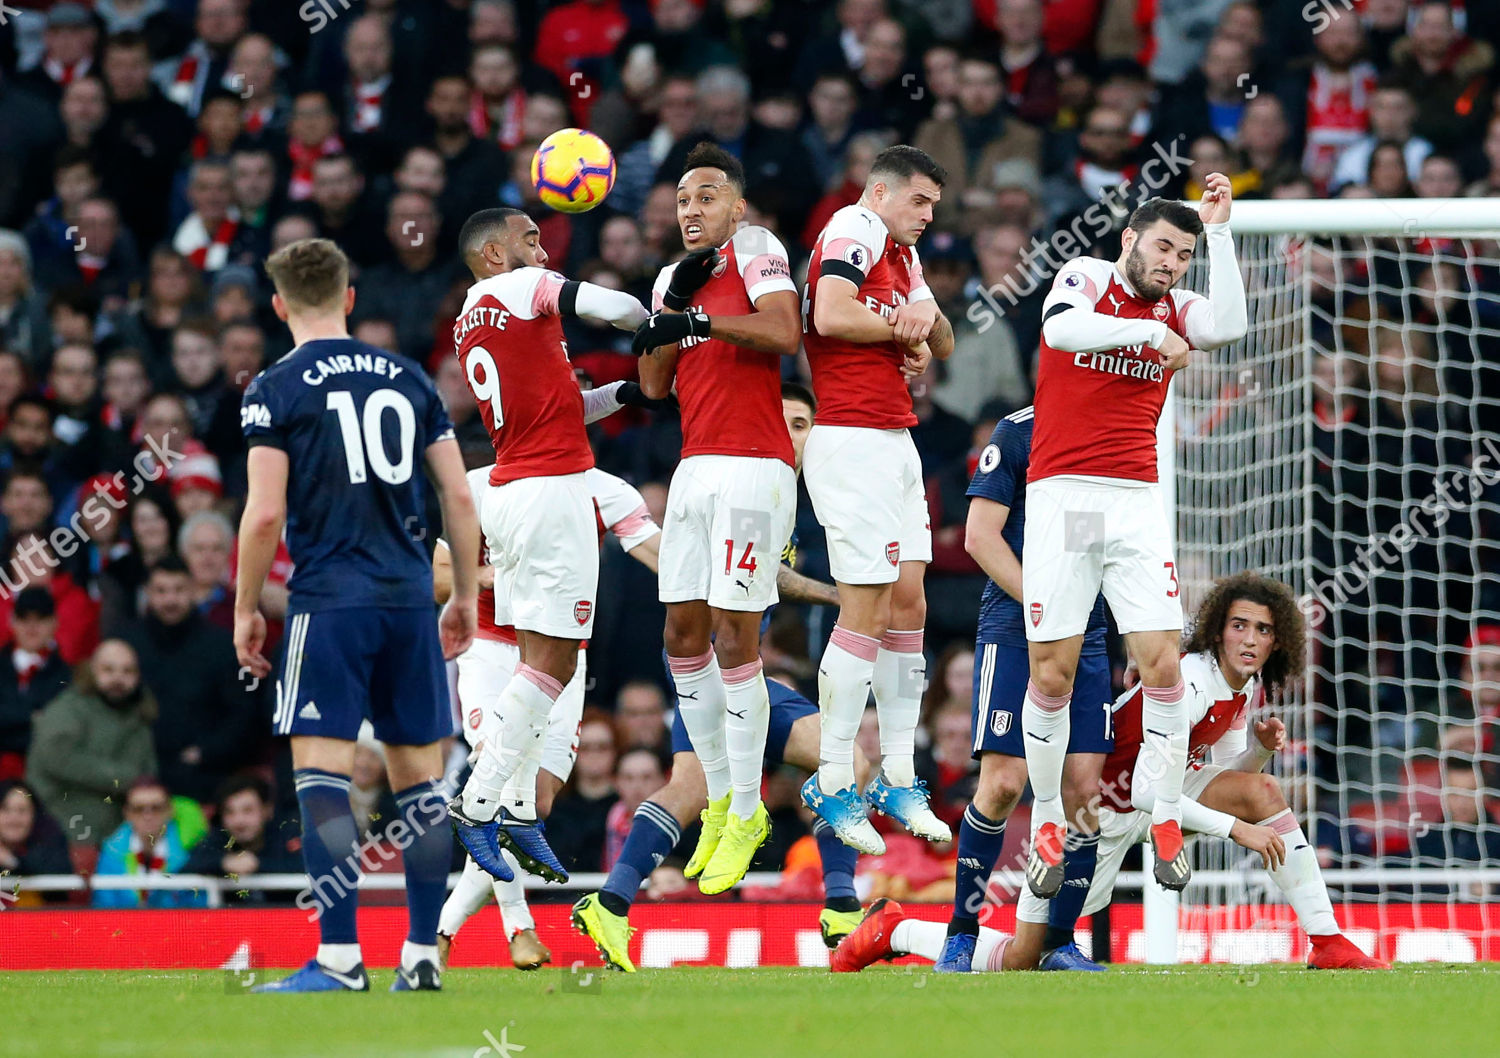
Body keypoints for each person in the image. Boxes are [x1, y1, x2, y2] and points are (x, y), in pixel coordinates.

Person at [834, 574, 1390, 973]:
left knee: (1263, 789)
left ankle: (1327, 939)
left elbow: (1224, 783)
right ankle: (894, 929)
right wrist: (1236, 830)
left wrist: (1261, 756)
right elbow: (1152, 790)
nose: (1249, 639)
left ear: (1278, 641)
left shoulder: (1242, 690)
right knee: (1022, 959)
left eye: (1262, 630)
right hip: (1094, 815)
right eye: (1238, 625)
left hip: (1150, 809)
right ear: (1218, 631)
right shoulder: (1189, 684)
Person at [234, 237, 481, 994]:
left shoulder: (274, 388)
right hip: (410, 599)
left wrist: (246, 606)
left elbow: (264, 513)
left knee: (323, 778)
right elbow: (460, 496)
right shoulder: (408, 378)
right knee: (419, 784)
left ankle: (340, 958)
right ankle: (423, 955)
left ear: (278, 306)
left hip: (330, 601)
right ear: (349, 296)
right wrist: (464, 595)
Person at [572, 384, 871, 973]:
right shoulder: (747, 479)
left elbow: (756, 574)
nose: (791, 432)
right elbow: (743, 574)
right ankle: (840, 904)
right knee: (839, 758)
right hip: (711, 655)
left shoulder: (780, 490)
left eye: (803, 423)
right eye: (780, 418)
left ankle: (611, 902)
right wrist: (836, 596)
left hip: (730, 659)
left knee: (693, 786)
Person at [1020, 181, 1246, 898]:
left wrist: (1218, 235)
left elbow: (1231, 326)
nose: (1172, 263)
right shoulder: (1085, 278)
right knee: (1051, 674)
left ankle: (1169, 812)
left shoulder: (1179, 302)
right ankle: (1049, 821)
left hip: (1137, 501)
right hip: (1066, 496)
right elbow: (1061, 331)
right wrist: (1149, 335)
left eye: (1182, 254)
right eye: (1163, 247)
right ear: (1129, 241)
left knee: (1164, 665)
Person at [445, 208, 648, 885]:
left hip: (519, 486)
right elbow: (613, 307)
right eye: (531, 239)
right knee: (556, 660)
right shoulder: (518, 288)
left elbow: (559, 406)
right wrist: (668, 319)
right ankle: (481, 803)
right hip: (551, 491)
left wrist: (628, 393)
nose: (543, 249)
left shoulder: (474, 316)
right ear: (496, 251)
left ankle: (513, 809)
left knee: (545, 658)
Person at [631, 141, 801, 893]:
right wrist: (670, 312)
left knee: (736, 634)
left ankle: (745, 809)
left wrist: (699, 317)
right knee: (680, 634)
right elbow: (654, 383)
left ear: (736, 205)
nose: (691, 211)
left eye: (705, 197)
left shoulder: (758, 247)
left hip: (756, 466)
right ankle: (717, 805)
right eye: (681, 202)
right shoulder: (673, 276)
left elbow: (783, 333)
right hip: (696, 466)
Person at [433, 456, 664, 971]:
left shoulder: (605, 490)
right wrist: (484, 577)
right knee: (500, 777)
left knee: (534, 800)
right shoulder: (479, 487)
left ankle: (441, 929)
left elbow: (658, 553)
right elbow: (437, 578)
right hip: (493, 649)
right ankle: (520, 928)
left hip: (564, 654)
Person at [798, 144, 955, 855]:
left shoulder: (902, 254)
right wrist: (902, 328)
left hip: (894, 439)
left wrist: (916, 325)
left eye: (934, 207)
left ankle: (896, 773)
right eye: (919, 202)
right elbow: (831, 315)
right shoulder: (854, 229)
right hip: (849, 439)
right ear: (882, 192)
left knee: (911, 601)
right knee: (864, 607)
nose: (927, 217)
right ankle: (833, 778)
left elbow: (944, 338)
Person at [932, 404, 1114, 973]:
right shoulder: (1016, 432)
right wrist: (1042, 606)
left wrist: (1137, 646)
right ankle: (962, 932)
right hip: (1016, 629)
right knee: (1004, 784)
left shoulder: (1114, 429)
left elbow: (1117, 547)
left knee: (1085, 794)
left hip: (1090, 632)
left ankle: (1059, 942)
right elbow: (980, 538)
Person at [26, 639, 157, 847]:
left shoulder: (141, 715)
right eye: (108, 669)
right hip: (63, 830)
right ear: (92, 670)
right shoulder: (69, 708)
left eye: (127, 671)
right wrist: (126, 779)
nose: (118, 678)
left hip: (120, 838)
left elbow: (149, 774)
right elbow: (57, 757)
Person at [92, 776, 205, 909]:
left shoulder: (192, 849)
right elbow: (103, 906)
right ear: (127, 813)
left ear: (170, 811)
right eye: (138, 809)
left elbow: (198, 904)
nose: (147, 816)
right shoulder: (111, 853)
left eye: (156, 808)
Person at [184, 775, 302, 901]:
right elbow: (186, 868)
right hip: (232, 919)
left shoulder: (287, 835)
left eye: (248, 810)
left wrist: (258, 864)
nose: (239, 821)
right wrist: (223, 863)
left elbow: (305, 867)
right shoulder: (218, 838)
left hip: (288, 918)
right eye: (230, 812)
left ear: (267, 810)